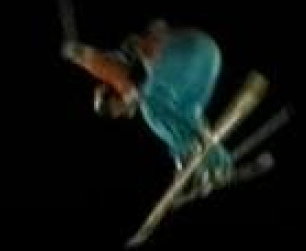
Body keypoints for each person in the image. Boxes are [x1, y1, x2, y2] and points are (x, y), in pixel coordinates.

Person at [62, 20, 233, 202]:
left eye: (120, 109)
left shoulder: (120, 77)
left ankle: (190, 156)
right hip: (207, 56)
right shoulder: (152, 88)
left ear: (111, 97)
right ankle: (214, 164)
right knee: (187, 115)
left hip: (183, 55)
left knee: (152, 111)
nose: (128, 111)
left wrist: (76, 53)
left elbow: (99, 63)